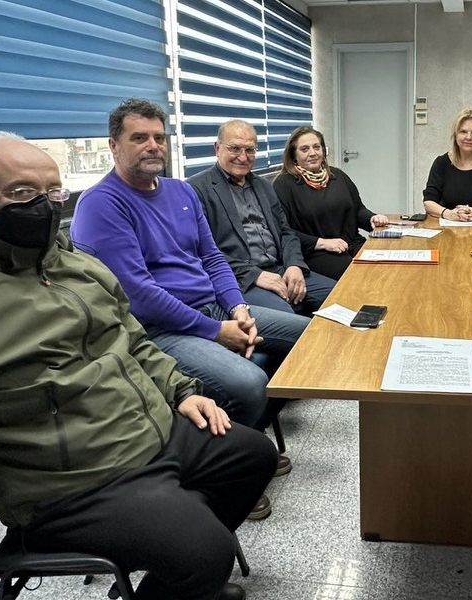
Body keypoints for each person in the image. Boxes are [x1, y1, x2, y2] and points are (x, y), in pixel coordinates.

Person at [0, 133, 275, 600]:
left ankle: (176, 586)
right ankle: (189, 571)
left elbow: (131, 338)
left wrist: (180, 390)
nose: (43, 206)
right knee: (204, 552)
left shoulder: (73, 266)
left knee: (252, 457)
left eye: (53, 192)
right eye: (21, 193)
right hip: (70, 486)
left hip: (144, 435)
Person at [72, 99, 305, 519]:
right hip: (157, 331)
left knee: (306, 336)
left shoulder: (180, 192)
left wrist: (237, 308)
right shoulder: (101, 204)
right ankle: (231, 474)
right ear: (114, 145)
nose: (153, 146)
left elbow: (212, 257)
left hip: (212, 307)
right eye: (139, 138)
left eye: (159, 137)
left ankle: (247, 441)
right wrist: (216, 332)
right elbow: (139, 295)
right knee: (250, 381)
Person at [187, 120, 337, 315]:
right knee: (287, 317)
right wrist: (255, 275)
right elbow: (202, 251)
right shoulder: (195, 189)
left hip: (280, 269)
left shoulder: (264, 185)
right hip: (241, 279)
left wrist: (294, 265)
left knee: (342, 295)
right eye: (235, 148)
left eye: (250, 150)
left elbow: (286, 232)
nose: (243, 157)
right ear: (217, 148)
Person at [272, 126, 389, 279]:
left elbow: (357, 209)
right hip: (316, 252)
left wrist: (372, 218)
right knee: (359, 277)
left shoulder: (337, 175)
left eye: (316, 147)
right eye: (304, 149)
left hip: (352, 243)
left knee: (386, 268)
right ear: (293, 155)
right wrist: (323, 243)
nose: (312, 153)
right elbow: (284, 231)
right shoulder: (284, 185)